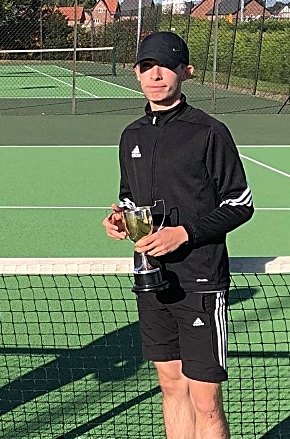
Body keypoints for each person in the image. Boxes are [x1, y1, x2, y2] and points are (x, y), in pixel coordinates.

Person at [102, 32, 253, 439]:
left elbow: (240, 203)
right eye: (147, 66)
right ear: (136, 73)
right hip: (151, 280)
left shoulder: (209, 132)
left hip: (199, 281)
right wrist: (118, 218)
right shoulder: (131, 135)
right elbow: (129, 196)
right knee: (171, 387)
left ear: (185, 72)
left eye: (166, 66)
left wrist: (183, 233)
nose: (156, 74)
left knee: (206, 405)